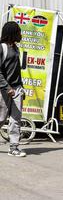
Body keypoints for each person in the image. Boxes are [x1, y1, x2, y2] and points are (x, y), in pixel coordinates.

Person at [0, 21, 26, 157]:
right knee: (1, 118)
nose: (21, 35)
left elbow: (16, 71)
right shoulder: (2, 48)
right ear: (12, 33)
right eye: (19, 32)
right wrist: (6, 87)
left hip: (17, 89)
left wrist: (21, 88)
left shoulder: (16, 49)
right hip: (4, 90)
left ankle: (14, 147)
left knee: (16, 119)